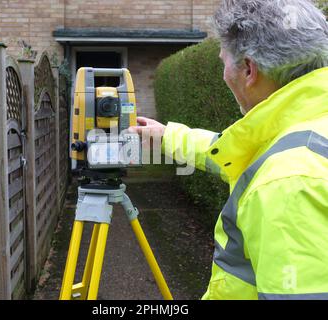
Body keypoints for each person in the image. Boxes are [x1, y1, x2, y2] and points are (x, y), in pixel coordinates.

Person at [129, 0, 328, 300]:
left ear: (249, 69)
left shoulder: (287, 183)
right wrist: (167, 136)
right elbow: (239, 156)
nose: (223, 74)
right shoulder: (305, 131)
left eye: (223, 61)